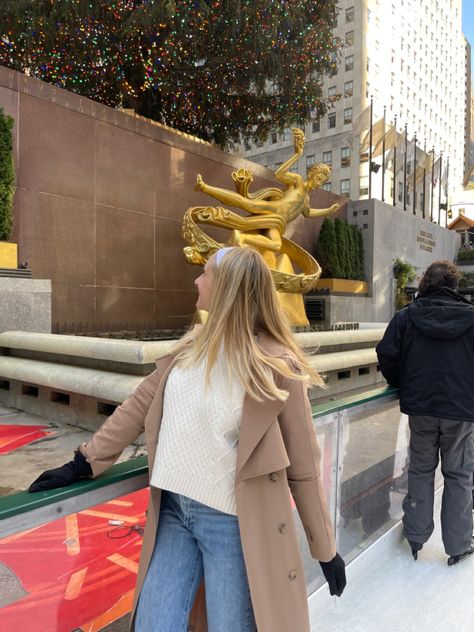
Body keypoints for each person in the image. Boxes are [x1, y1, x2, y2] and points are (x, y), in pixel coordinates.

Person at [29, 247, 346, 632]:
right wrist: (85, 461)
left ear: (228, 287)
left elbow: (305, 465)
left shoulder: (276, 365)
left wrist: (325, 550)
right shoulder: (192, 344)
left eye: (206, 273)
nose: (197, 280)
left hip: (232, 524)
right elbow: (140, 402)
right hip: (174, 510)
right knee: (153, 623)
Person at [376, 259, 474, 566]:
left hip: (421, 408)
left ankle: (416, 536)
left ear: (425, 285)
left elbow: (386, 353)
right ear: (455, 287)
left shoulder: (406, 317)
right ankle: (458, 545)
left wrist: (401, 382)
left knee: (420, 468)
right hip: (461, 409)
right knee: (458, 474)